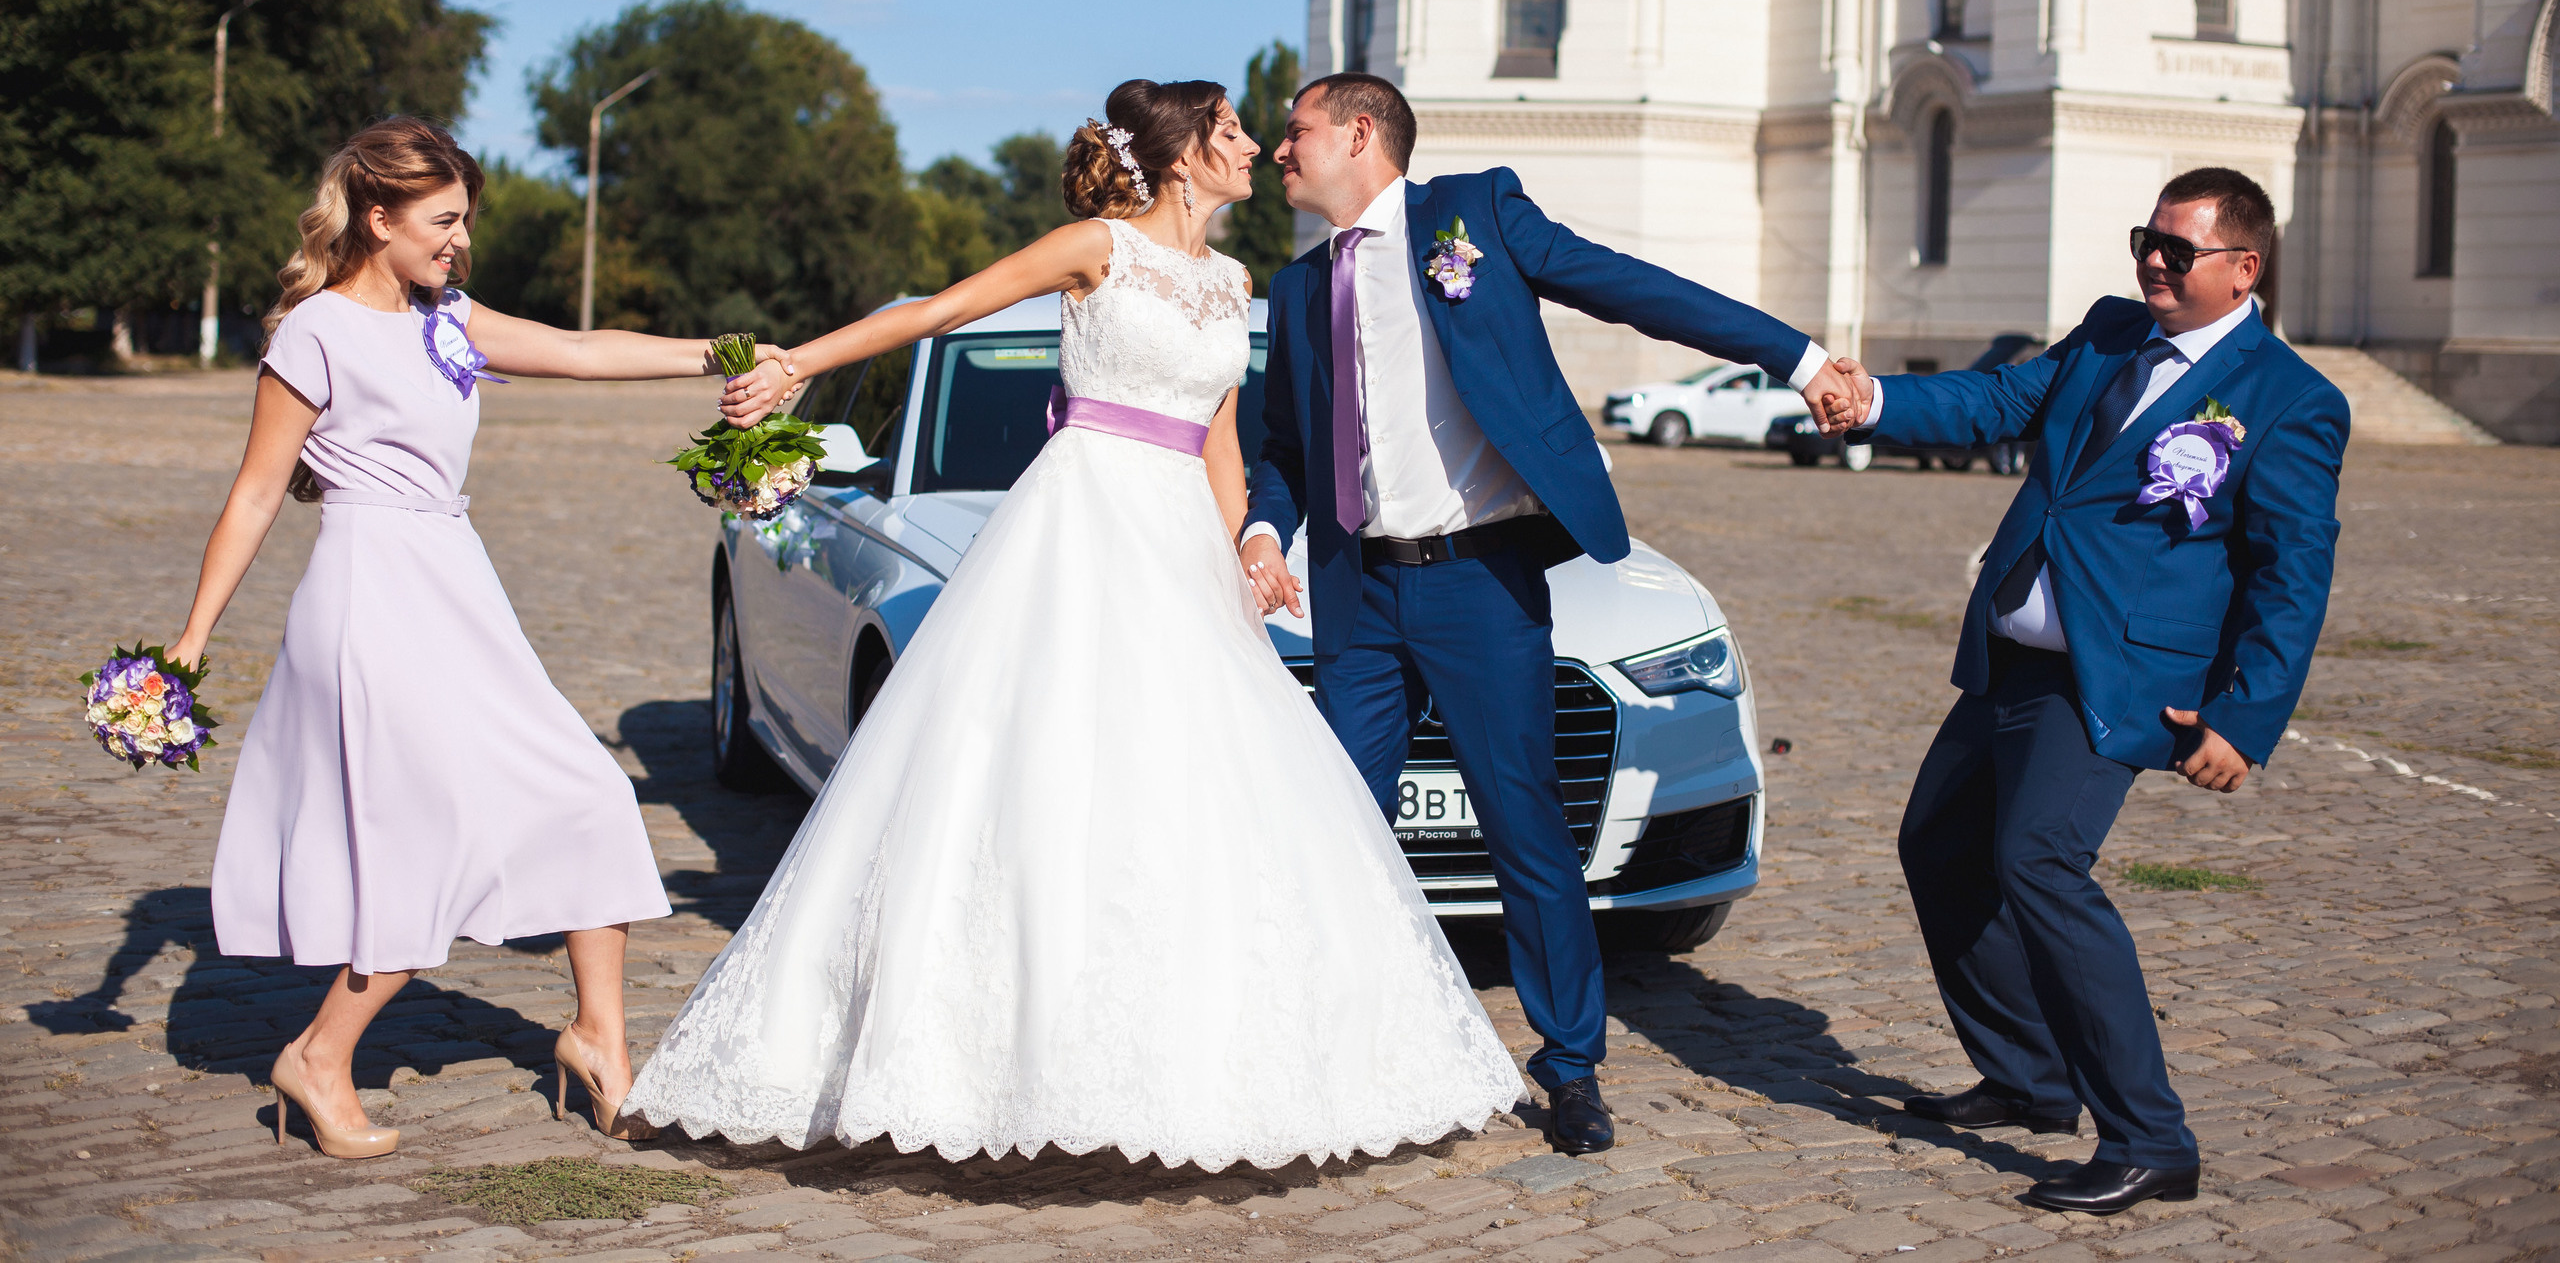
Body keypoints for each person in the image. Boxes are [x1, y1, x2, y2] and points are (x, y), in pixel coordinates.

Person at [629, 79, 1522, 1169]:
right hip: (1082, 522)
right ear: (1185, 154)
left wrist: (1250, 543)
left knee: (1193, 785)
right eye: (1236, 132)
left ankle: (1203, 1058)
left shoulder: (1231, 280)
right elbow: (935, 311)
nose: (1257, 151)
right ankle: (989, 1058)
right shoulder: (1096, 248)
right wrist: (797, 366)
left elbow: (1220, 437)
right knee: (1041, 767)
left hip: (1182, 548)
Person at [1237, 72, 1860, 1155]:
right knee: (1332, 823)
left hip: (1479, 583)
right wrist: (1258, 529)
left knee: (1526, 824)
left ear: (1359, 133)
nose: (1280, 154)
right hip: (1357, 595)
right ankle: (1318, 1043)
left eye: (1294, 133)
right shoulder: (1295, 294)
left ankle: (1569, 1065)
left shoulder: (1471, 214)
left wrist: (1795, 357)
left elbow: (1630, 288)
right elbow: (1282, 453)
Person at [176, 117, 767, 1159]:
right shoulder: (315, 332)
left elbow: (581, 351)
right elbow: (260, 491)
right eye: (443, 220)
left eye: (464, 221)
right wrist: (190, 640)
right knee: (429, 837)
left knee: (588, 793)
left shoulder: (444, 318)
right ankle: (318, 1056)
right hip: (369, 597)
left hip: (456, 582)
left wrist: (725, 355)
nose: (460, 241)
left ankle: (596, 1036)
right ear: (377, 216)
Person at [1818, 166, 2348, 1214]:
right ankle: (2028, 1079)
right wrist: (1874, 396)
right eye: (2143, 239)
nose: (2151, 260)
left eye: (2176, 250)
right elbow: (1995, 399)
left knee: (2040, 866)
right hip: (2015, 656)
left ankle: (2152, 1139)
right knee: (1938, 847)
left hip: (2116, 678)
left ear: (2243, 268)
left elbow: (2293, 574)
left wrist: (2242, 717)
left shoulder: (2291, 400)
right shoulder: (2108, 331)